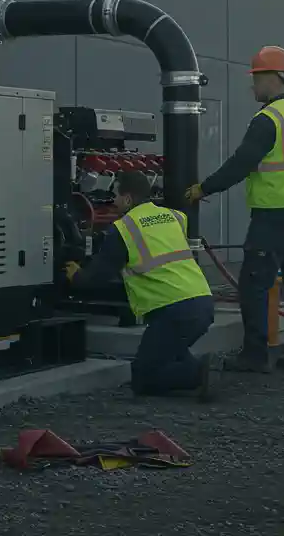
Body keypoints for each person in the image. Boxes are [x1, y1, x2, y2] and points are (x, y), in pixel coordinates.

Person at [185, 45, 284, 375]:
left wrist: (204, 188)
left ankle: (256, 355)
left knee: (254, 283)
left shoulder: (267, 120)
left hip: (274, 214)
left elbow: (241, 164)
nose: (253, 86)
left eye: (256, 78)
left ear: (274, 77)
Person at [66, 170, 220, 402]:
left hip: (174, 310)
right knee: (170, 349)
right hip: (202, 302)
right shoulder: (175, 216)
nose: (113, 201)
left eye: (115, 195)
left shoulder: (124, 229)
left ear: (127, 199)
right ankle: (200, 368)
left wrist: (76, 276)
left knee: (142, 377)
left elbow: (97, 276)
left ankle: (200, 374)